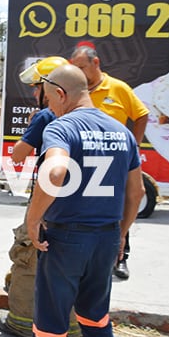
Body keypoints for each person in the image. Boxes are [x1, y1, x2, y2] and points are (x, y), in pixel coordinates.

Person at [27, 64, 144, 337]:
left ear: (61, 94)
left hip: (65, 240)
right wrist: (121, 234)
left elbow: (55, 173)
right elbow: (137, 192)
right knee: (96, 318)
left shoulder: (61, 128)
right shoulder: (123, 132)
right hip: (105, 238)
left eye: (49, 99)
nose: (49, 107)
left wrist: (33, 218)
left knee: (51, 325)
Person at [0, 56, 82, 337]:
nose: (35, 94)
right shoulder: (84, 115)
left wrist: (29, 133)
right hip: (76, 207)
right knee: (66, 268)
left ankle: (20, 322)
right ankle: (72, 328)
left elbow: (19, 154)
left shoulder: (45, 116)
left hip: (47, 202)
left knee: (26, 258)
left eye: (37, 87)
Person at [70, 42, 149, 280]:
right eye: (75, 67)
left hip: (115, 164)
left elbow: (141, 114)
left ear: (96, 63)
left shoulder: (118, 88)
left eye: (82, 67)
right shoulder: (76, 91)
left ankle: (121, 256)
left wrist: (132, 146)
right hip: (83, 166)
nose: (79, 72)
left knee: (122, 206)